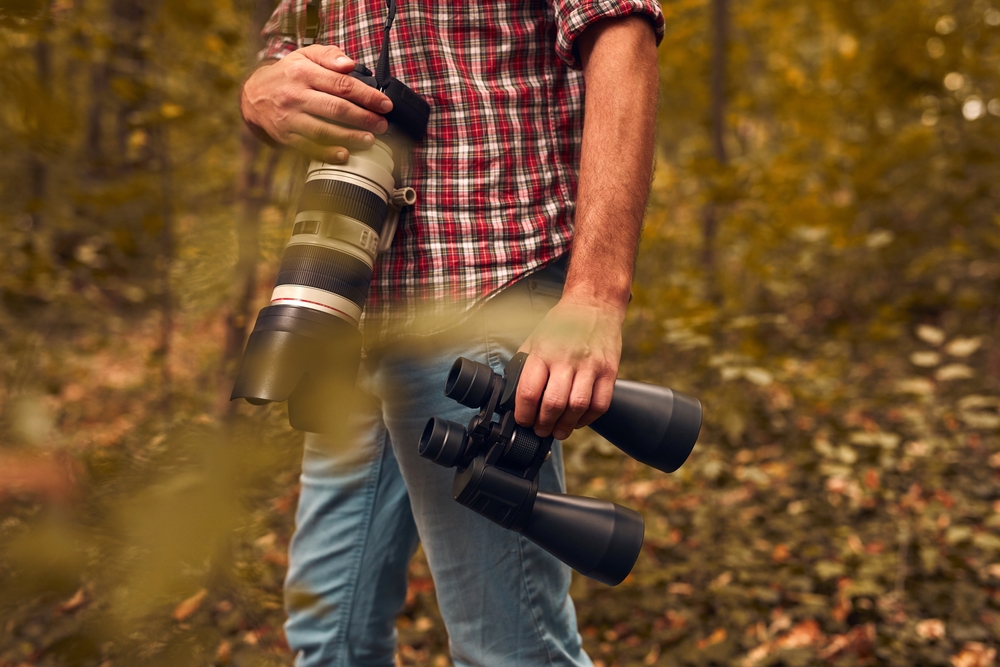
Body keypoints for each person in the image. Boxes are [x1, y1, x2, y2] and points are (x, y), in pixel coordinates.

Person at [240, 0, 662, 664]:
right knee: (329, 638)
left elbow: (622, 26)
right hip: (351, 312)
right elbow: (288, 49)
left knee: (510, 650)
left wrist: (596, 294)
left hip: (482, 289)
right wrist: (262, 89)